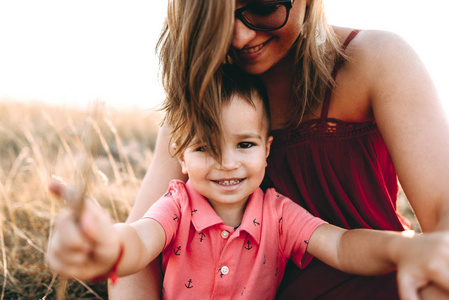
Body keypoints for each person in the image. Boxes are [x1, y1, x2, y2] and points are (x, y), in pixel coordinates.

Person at [47, 66, 449, 300]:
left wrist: (401, 248)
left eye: (244, 144)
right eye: (205, 147)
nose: (227, 163)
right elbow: (138, 242)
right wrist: (109, 243)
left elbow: (342, 245)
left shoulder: (277, 214)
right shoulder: (177, 206)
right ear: (180, 154)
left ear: (267, 148)